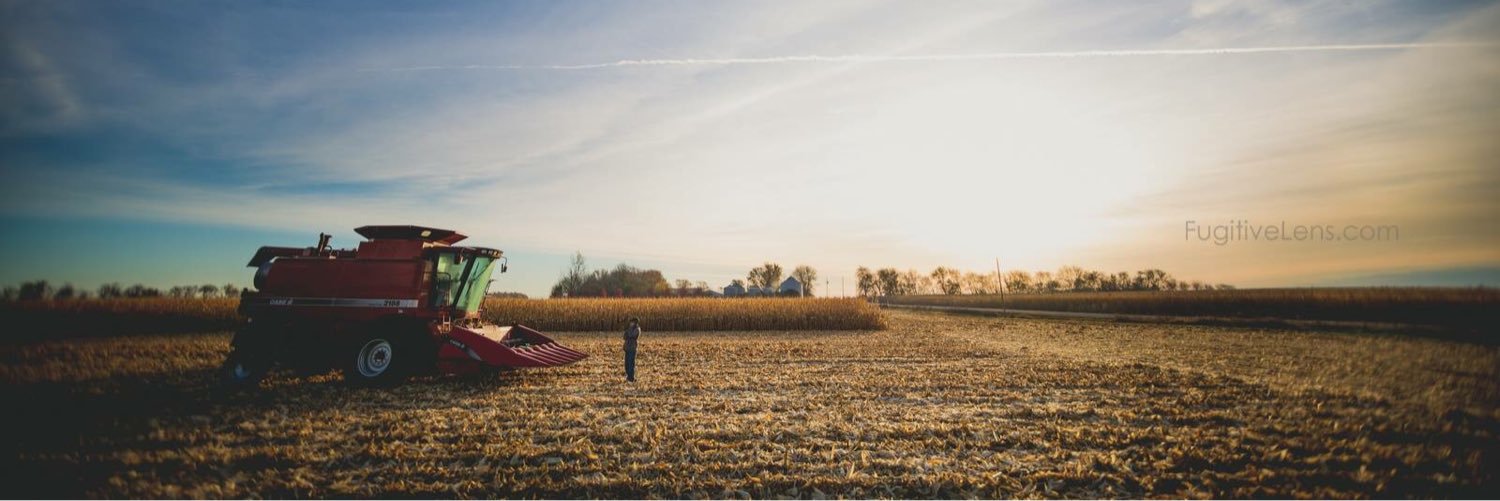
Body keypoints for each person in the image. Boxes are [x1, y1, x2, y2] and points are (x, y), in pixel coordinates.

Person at [622, 317, 641, 382]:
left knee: (631, 364)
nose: (630, 323)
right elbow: (624, 337)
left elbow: (632, 336)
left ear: (635, 323)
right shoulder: (629, 329)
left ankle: (631, 378)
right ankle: (628, 376)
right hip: (627, 348)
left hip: (632, 348)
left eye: (632, 322)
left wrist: (628, 332)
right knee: (626, 364)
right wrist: (627, 332)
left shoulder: (637, 329)